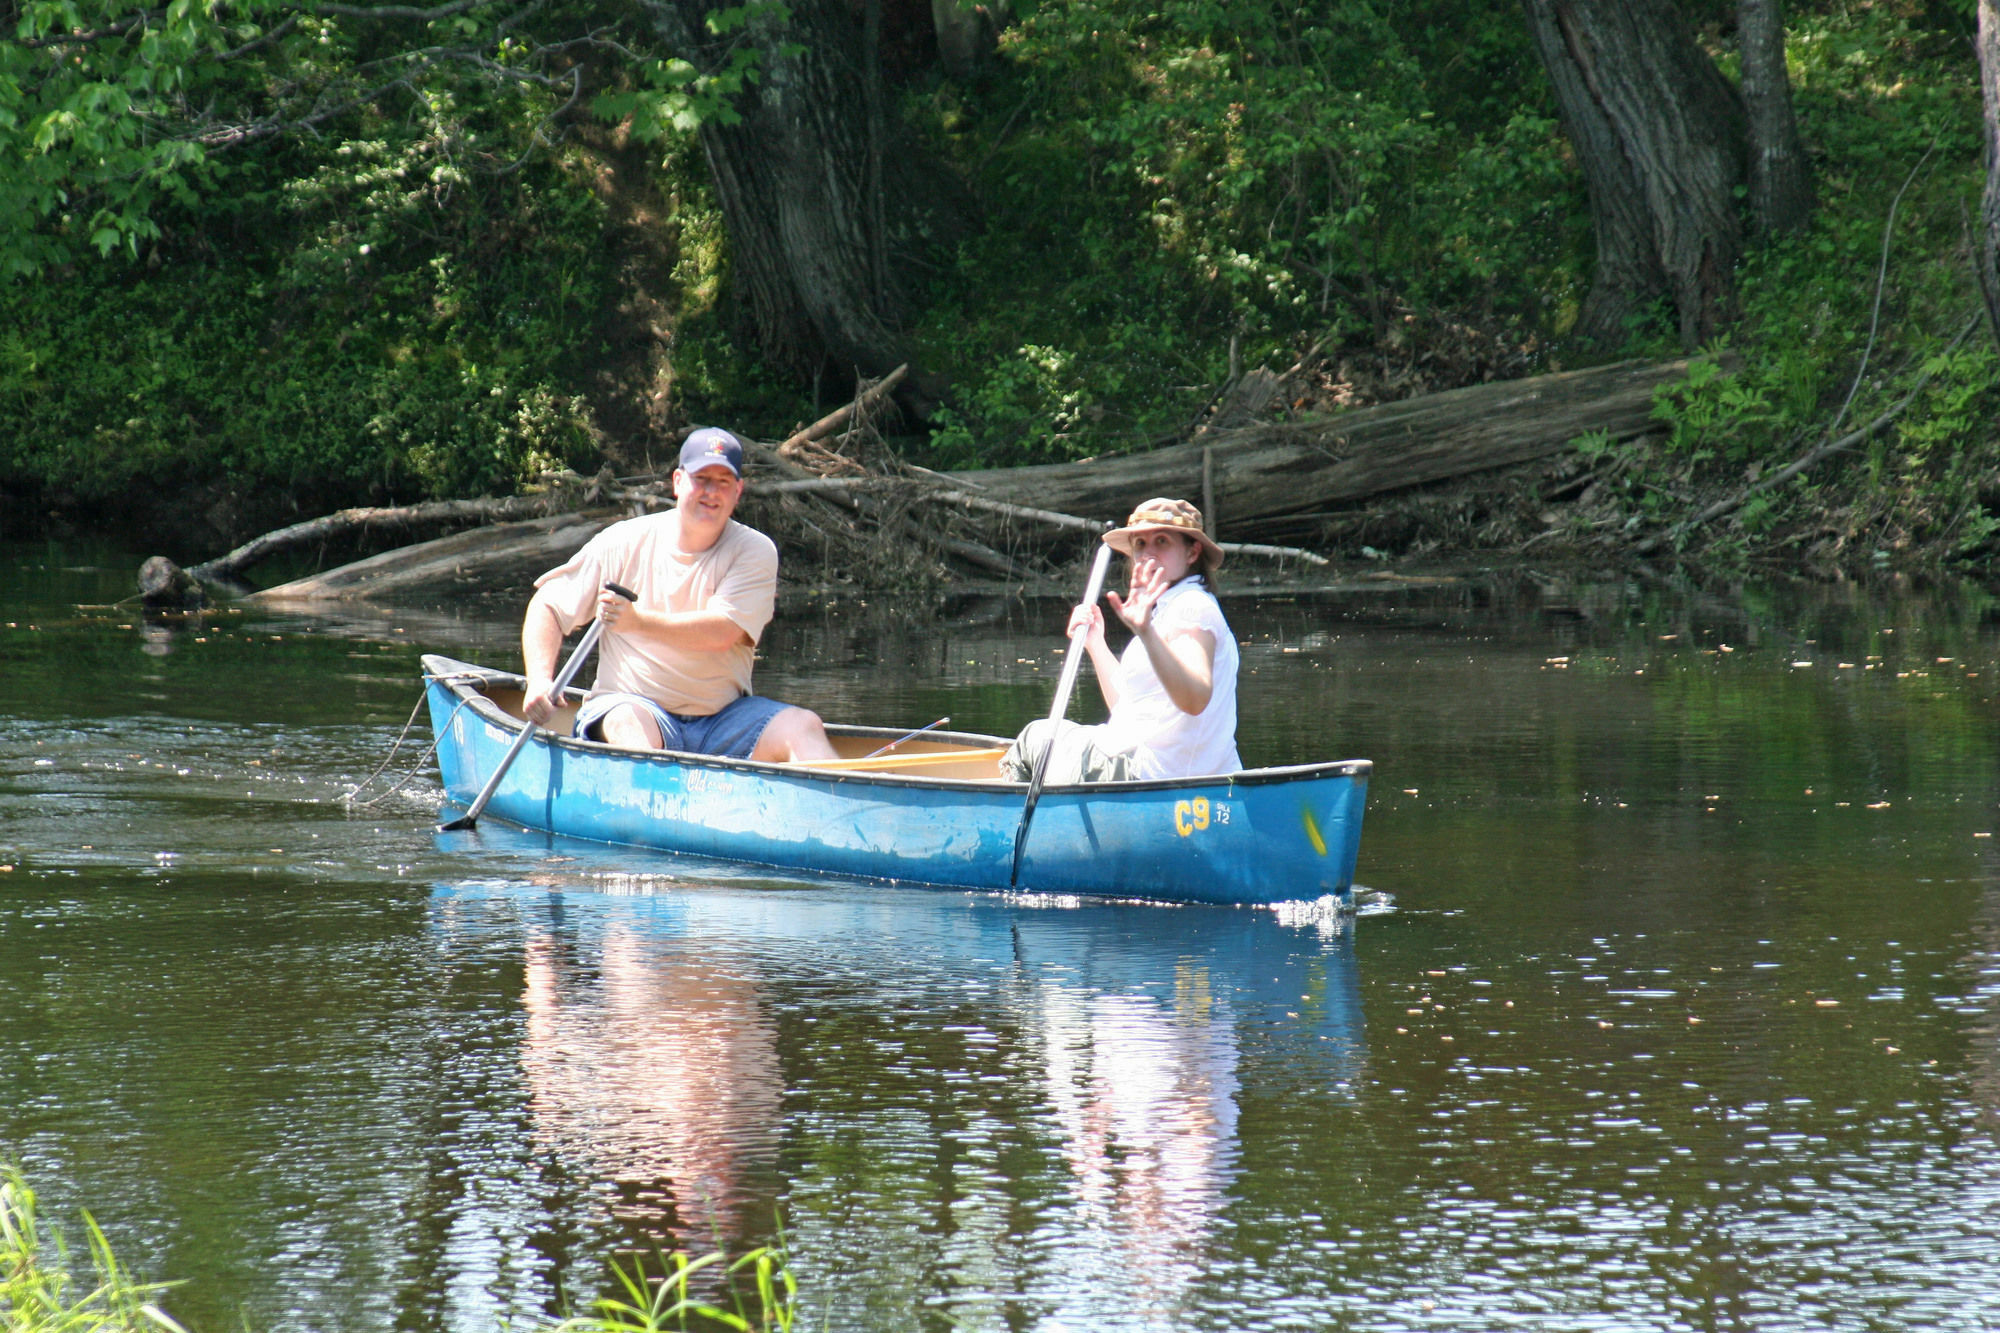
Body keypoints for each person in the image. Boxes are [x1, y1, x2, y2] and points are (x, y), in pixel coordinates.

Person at [519, 427, 837, 763]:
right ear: (678, 482)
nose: (711, 492)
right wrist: (539, 681)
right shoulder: (623, 541)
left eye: (723, 481)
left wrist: (637, 622)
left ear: (738, 491)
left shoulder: (755, 551)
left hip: (723, 720)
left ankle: (840, 805)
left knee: (804, 725)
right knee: (628, 723)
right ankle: (651, 805)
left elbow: (722, 632)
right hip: (633, 705)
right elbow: (548, 605)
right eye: (701, 479)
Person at [1003, 497, 1241, 783]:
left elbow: (1195, 699)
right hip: (1168, 772)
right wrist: (1095, 643)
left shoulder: (1192, 607)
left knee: (1036, 737)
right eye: (1140, 544)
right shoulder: (1173, 607)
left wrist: (1146, 632)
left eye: (1162, 541)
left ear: (1192, 553)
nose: (1148, 554)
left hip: (1149, 775)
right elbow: (1129, 708)